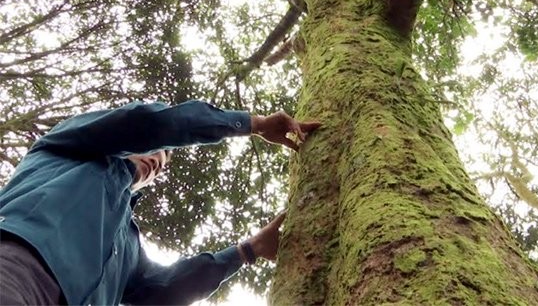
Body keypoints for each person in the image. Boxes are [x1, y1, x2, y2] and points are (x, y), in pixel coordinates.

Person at [0, 100, 320, 305]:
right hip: (17, 267)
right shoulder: (65, 147)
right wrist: (255, 123)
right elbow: (148, 125)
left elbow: (163, 289)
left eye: (163, 162)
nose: (157, 160)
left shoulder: (127, 243)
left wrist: (248, 251)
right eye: (155, 150)